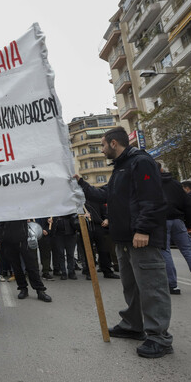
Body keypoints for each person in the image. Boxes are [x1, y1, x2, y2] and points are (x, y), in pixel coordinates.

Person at [75, 126, 173, 358]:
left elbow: (153, 199)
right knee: (133, 287)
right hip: (124, 239)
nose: (101, 149)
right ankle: (133, 326)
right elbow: (103, 195)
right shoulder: (121, 168)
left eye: (102, 145)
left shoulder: (141, 162)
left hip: (140, 238)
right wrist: (81, 183)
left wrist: (143, 229)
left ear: (114, 144)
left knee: (151, 288)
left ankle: (160, 337)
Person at [0, 220, 52, 302]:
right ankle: (23, 288)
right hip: (8, 240)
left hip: (24, 238)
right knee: (16, 267)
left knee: (32, 265)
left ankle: (40, 290)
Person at [82, 200, 120, 280]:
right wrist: (82, 216)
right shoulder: (78, 202)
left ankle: (107, 271)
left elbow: (105, 211)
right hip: (85, 227)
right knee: (88, 252)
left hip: (99, 226)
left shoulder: (96, 200)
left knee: (104, 250)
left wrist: (106, 219)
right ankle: (90, 272)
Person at [50, 215, 78, 280]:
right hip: (58, 234)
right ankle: (63, 272)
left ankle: (71, 271)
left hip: (70, 233)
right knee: (60, 254)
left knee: (70, 254)